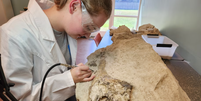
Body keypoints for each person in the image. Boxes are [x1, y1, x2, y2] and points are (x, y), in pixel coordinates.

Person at [0, 0, 112, 100]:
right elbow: (18, 97)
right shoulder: (13, 34)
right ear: (74, 6)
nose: (87, 36)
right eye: (88, 27)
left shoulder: (66, 29)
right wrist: (69, 79)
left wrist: (74, 76)